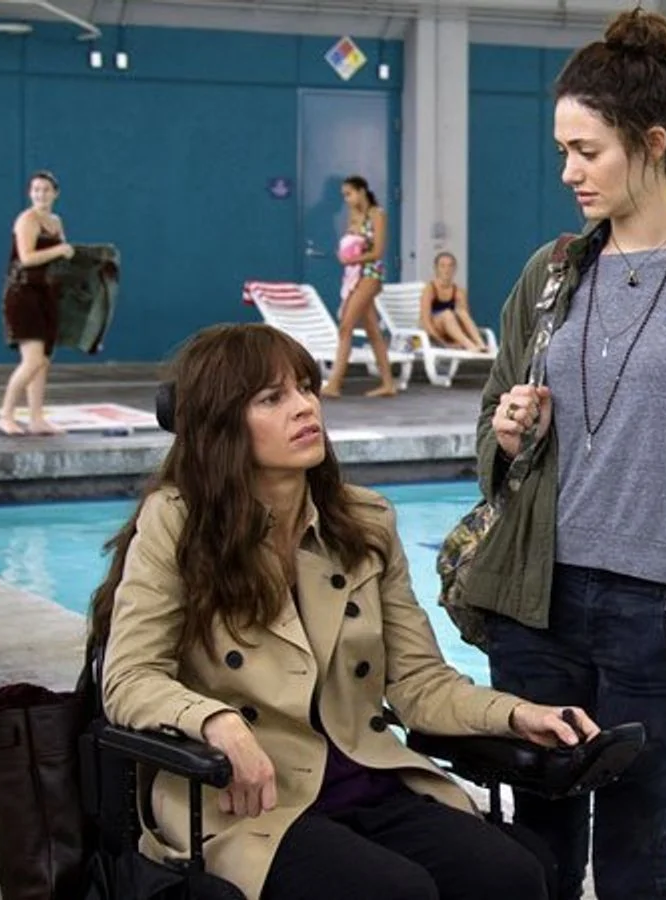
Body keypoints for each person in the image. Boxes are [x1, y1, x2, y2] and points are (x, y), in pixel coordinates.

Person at [453, 8, 666, 899]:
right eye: (563, 151)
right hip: (537, 606)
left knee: (634, 872)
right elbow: (493, 416)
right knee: (536, 861)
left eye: (588, 151)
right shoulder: (551, 273)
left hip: (664, 619)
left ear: (652, 144)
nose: (568, 172)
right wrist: (508, 431)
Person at [90, 322, 601, 900]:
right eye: (272, 398)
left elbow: (418, 683)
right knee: (394, 892)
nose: (305, 407)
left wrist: (516, 715)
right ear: (220, 423)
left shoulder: (364, 522)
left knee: (512, 876)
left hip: (364, 775)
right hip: (241, 799)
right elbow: (130, 678)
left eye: (307, 388)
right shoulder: (177, 521)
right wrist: (216, 722)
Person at [0, 170, 75, 436]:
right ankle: (6, 414)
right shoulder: (27, 220)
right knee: (32, 361)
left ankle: (36, 417)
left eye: (45, 190)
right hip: (22, 294)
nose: (40, 194)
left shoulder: (55, 221)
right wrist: (60, 250)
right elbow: (27, 257)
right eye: (36, 190)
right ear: (30, 193)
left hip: (45, 294)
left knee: (42, 361)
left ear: (56, 193)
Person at [322, 175, 397, 398]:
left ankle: (334, 383)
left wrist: (352, 259)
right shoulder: (353, 216)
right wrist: (344, 255)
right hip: (354, 276)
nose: (346, 199)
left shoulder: (377, 214)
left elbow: (378, 251)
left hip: (370, 275)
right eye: (344, 195)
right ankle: (388, 384)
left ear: (362, 191)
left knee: (346, 326)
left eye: (349, 194)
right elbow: (350, 244)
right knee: (373, 330)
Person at [419, 251, 490, 352]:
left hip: (453, 334)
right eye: (442, 266)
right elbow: (425, 322)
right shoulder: (430, 289)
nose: (446, 270)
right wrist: (443, 344)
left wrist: (456, 342)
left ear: (454, 269)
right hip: (435, 334)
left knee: (462, 312)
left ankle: (480, 343)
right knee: (447, 314)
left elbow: (465, 321)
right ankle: (469, 345)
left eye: (450, 266)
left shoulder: (459, 291)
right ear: (436, 269)